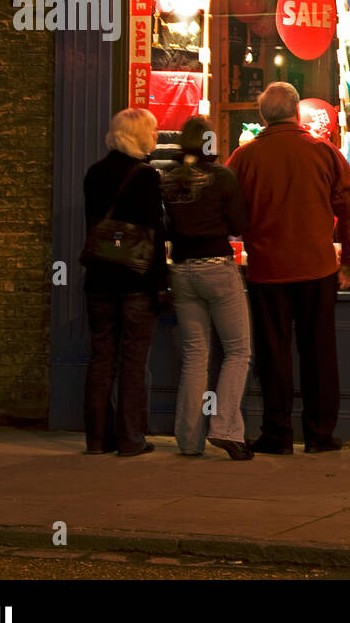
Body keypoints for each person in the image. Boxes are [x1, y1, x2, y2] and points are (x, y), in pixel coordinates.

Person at [226, 82, 350, 454]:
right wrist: (349, 259)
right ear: (296, 111)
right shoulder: (324, 152)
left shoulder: (244, 156)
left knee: (274, 353)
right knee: (319, 352)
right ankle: (319, 435)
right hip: (316, 269)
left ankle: (277, 432)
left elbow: (229, 210)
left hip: (267, 270)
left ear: (263, 115)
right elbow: (349, 206)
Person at [161, 116, 253, 460]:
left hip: (181, 272)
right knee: (238, 351)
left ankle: (188, 439)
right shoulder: (223, 178)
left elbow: (165, 228)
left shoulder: (169, 182)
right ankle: (226, 428)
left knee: (195, 357)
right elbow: (239, 225)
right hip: (217, 267)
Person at [81, 107, 166, 457]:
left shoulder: (94, 173)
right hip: (135, 280)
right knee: (132, 360)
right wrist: (160, 282)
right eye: (153, 131)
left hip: (99, 279)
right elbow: (155, 234)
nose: (157, 136)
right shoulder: (146, 177)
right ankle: (131, 439)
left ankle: (97, 439)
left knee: (102, 358)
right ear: (139, 135)